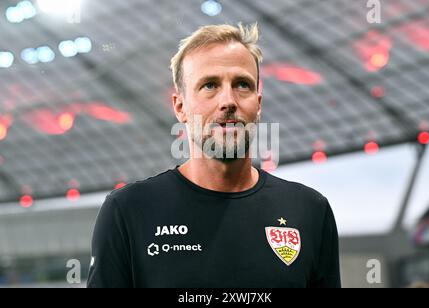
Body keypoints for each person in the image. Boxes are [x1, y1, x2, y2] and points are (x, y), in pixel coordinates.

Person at [87, 23, 341, 288]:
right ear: (180, 107)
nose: (228, 101)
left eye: (242, 84)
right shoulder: (127, 212)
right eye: (209, 85)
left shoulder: (310, 211)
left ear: (258, 104)